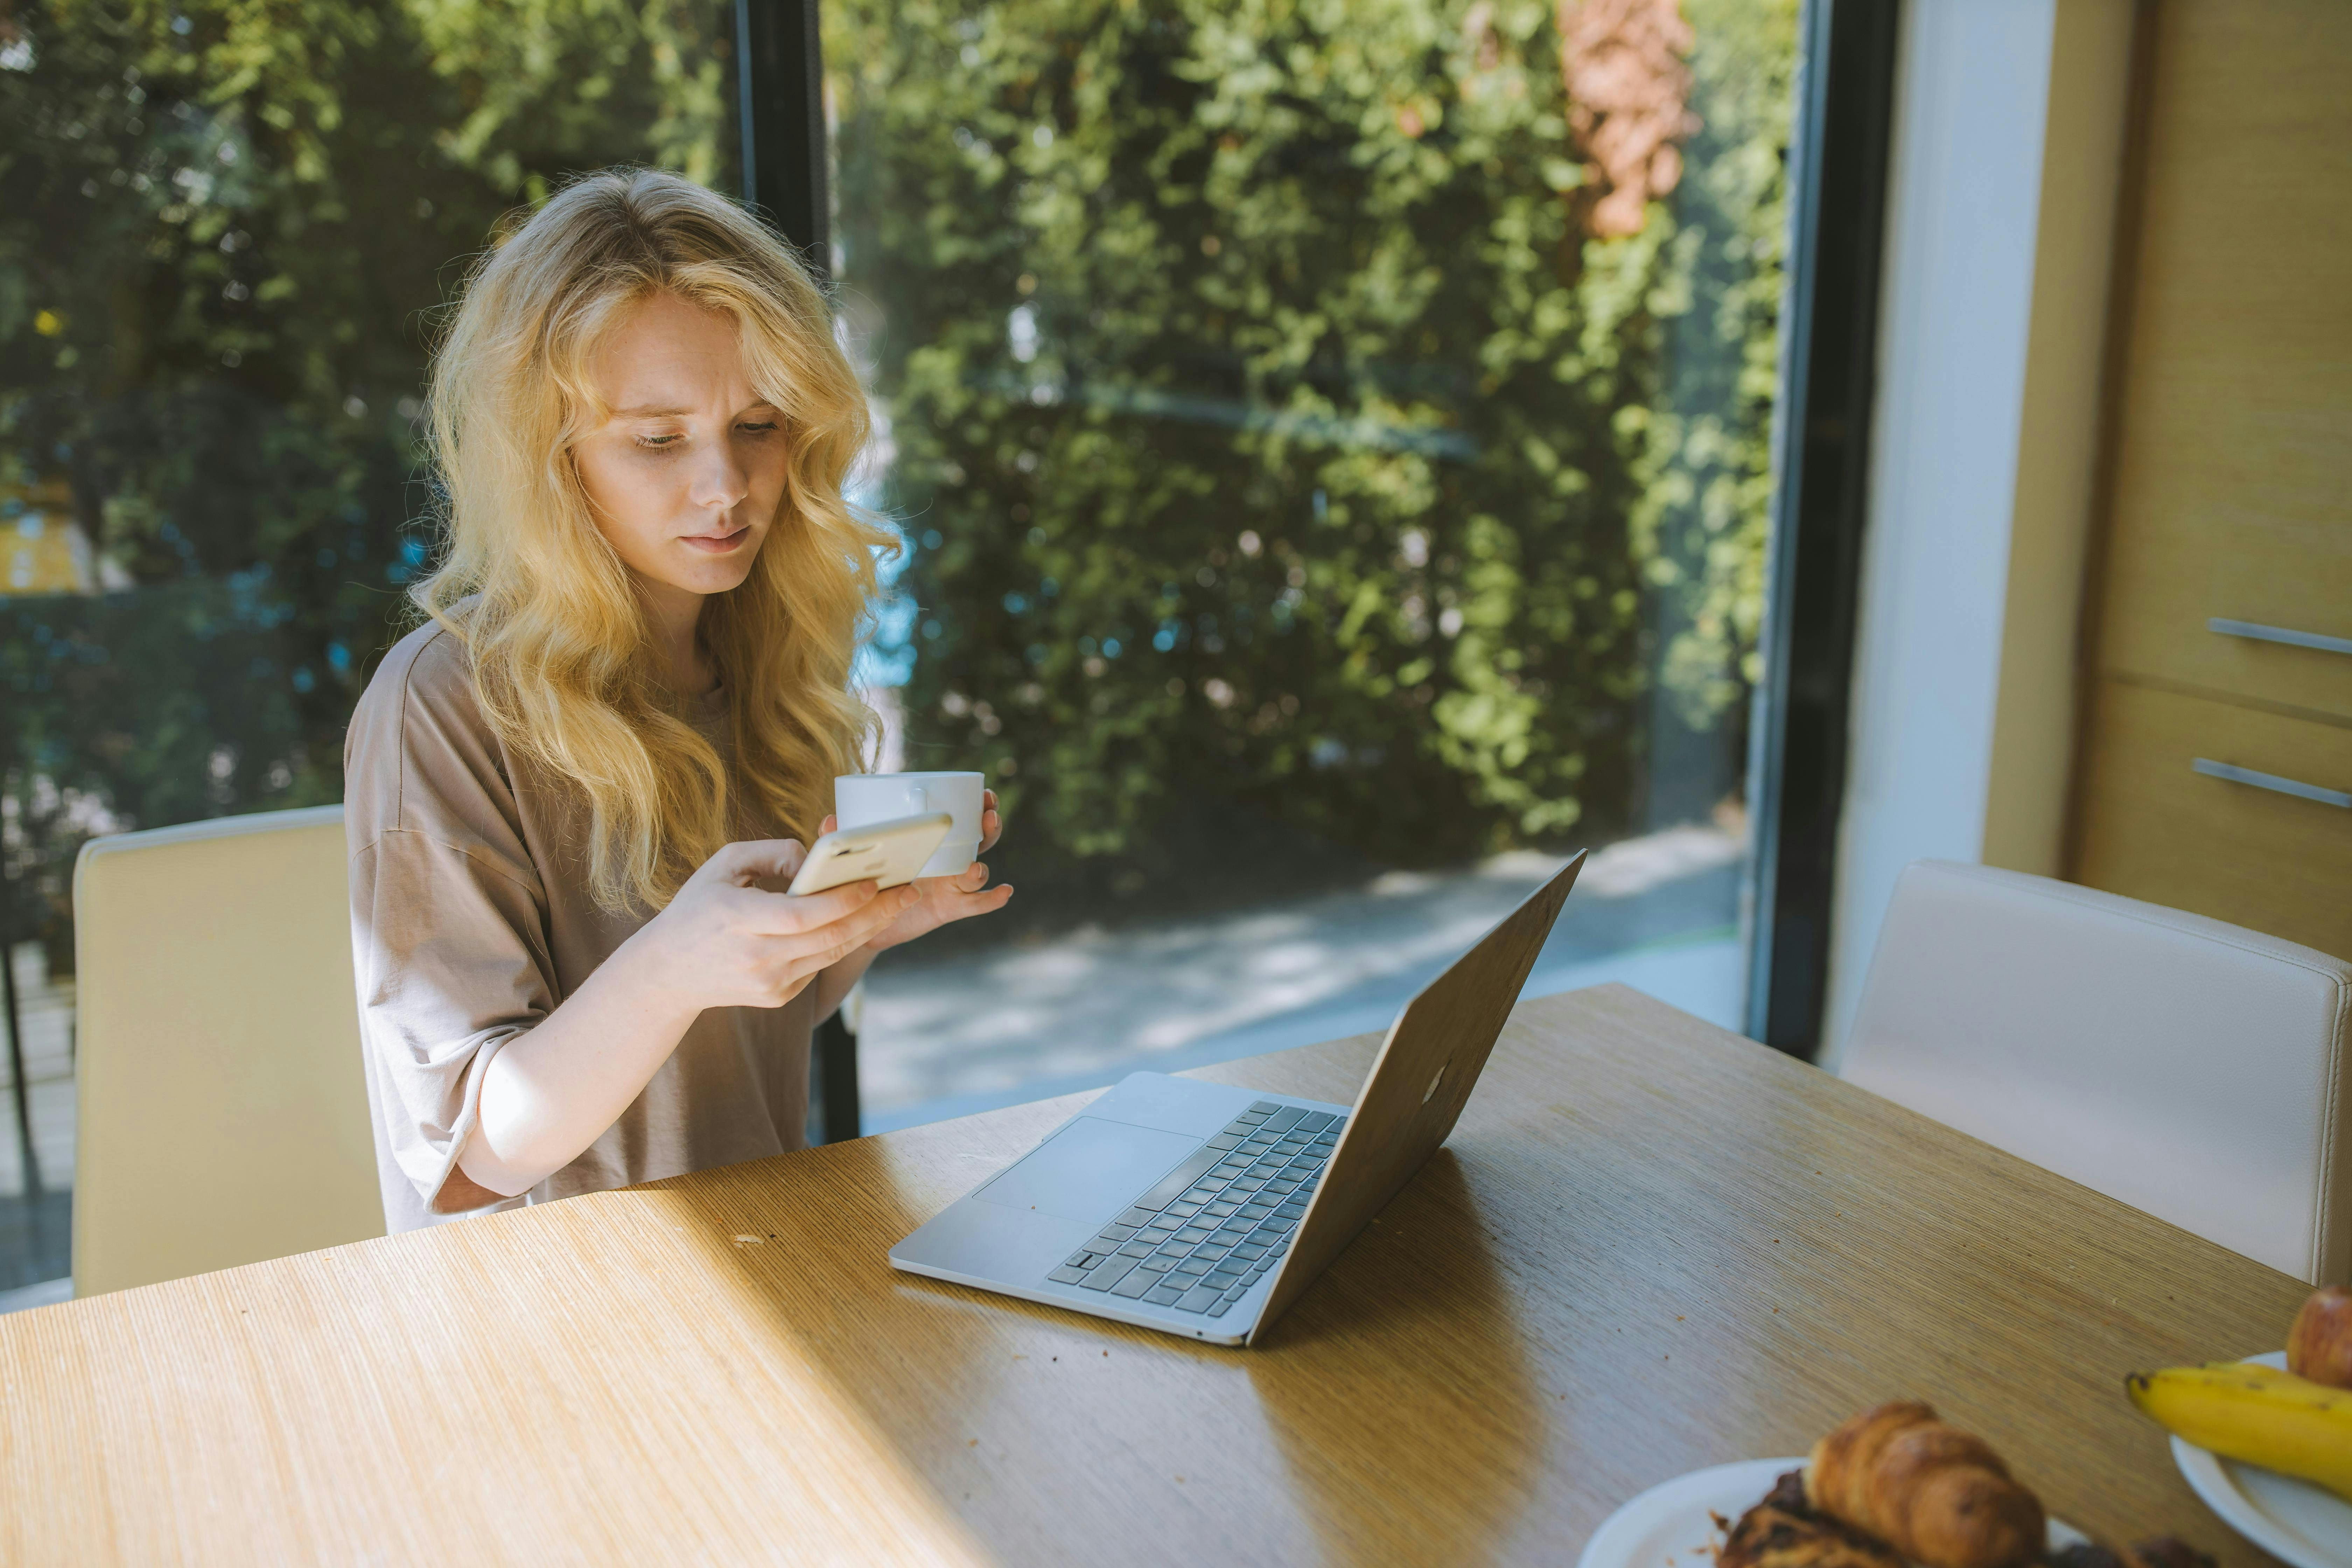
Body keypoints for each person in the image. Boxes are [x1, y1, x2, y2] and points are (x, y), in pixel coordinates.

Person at [344, 169, 1011, 1232]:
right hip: (564, 1322)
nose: (728, 486)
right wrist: (670, 966)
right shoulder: (447, 704)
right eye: (658, 440)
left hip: (768, 1259)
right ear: (550, 460)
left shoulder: (764, 658)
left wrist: (864, 924)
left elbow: (747, 1029)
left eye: (759, 424)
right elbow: (468, 1156)